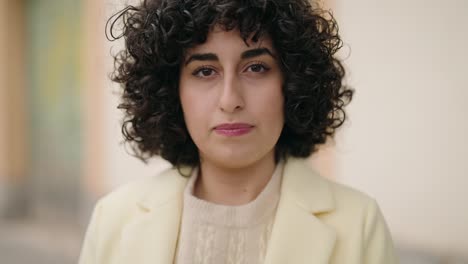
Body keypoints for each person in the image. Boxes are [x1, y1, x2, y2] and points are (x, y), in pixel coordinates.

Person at [79, 0, 398, 263]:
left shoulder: (360, 224)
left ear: (293, 83)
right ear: (171, 91)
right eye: (204, 71)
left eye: (256, 67)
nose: (230, 100)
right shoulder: (113, 219)